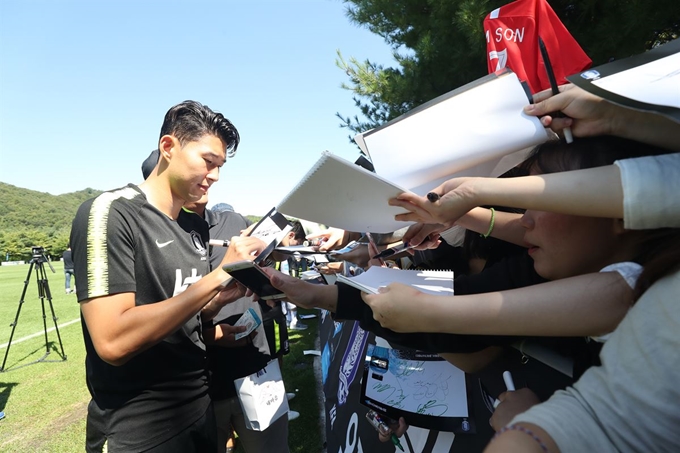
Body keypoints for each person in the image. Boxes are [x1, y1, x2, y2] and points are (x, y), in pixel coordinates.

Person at [71, 100, 268, 452]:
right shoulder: (112, 212)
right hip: (139, 429)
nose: (215, 176)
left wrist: (212, 306)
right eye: (208, 162)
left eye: (220, 167)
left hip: (199, 409)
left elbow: (178, 314)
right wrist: (218, 276)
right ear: (168, 147)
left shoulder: (194, 227)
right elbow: (113, 342)